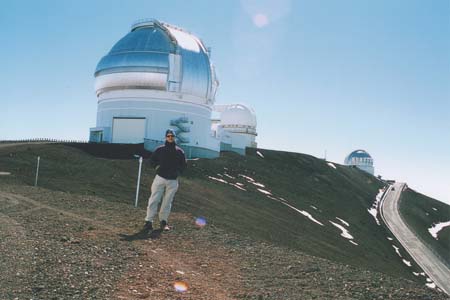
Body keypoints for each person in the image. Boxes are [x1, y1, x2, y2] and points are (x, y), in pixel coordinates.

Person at [143, 129, 187, 232]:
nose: (170, 137)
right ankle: (148, 222)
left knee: (167, 202)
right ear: (165, 137)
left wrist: (178, 172)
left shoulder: (179, 151)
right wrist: (157, 167)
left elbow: (183, 165)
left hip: (172, 181)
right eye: (168, 136)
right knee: (154, 200)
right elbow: (152, 160)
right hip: (160, 178)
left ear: (175, 137)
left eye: (172, 136)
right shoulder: (160, 150)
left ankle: (163, 222)